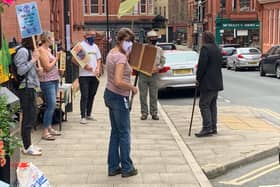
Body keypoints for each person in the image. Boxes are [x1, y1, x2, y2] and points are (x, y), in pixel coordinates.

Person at [104, 28, 138, 178]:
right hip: (119, 96)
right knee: (124, 132)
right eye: (127, 41)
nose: (130, 44)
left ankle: (113, 166)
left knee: (115, 132)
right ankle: (126, 167)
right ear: (120, 41)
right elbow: (118, 81)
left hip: (109, 94)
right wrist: (132, 87)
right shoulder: (121, 58)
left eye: (131, 41)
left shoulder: (112, 53)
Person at [14, 37, 42, 155]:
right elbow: (21, 70)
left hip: (31, 87)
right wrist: (33, 60)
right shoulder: (23, 51)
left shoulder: (29, 51)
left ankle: (28, 144)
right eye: (37, 39)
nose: (39, 41)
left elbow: (30, 70)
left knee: (32, 116)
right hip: (25, 88)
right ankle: (26, 146)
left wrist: (37, 69)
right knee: (28, 118)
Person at [195, 31, 224, 137]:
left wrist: (198, 78)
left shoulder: (205, 49)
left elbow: (201, 66)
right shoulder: (217, 49)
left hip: (207, 82)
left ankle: (207, 128)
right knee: (212, 105)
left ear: (205, 39)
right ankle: (213, 127)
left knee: (204, 104)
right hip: (216, 81)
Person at [38, 31, 61, 140]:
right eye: (51, 38)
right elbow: (47, 67)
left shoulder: (48, 50)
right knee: (50, 105)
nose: (53, 40)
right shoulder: (42, 50)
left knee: (53, 104)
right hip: (47, 81)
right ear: (47, 39)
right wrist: (56, 59)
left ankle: (49, 126)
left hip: (54, 79)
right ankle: (45, 131)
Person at [138, 30, 165, 120]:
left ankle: (154, 113)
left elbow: (162, 61)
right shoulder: (143, 48)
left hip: (154, 74)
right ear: (148, 39)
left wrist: (158, 68)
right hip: (143, 74)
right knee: (143, 95)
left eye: (155, 38)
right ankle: (144, 113)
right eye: (152, 38)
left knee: (154, 95)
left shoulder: (159, 50)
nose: (154, 40)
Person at [77, 30, 101, 124]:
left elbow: (99, 59)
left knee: (92, 94)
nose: (93, 37)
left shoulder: (95, 47)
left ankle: (88, 113)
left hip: (94, 75)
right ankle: (82, 116)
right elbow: (75, 59)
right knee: (85, 95)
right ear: (85, 36)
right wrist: (84, 66)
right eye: (91, 35)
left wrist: (98, 68)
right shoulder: (80, 46)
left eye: (94, 35)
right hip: (84, 75)